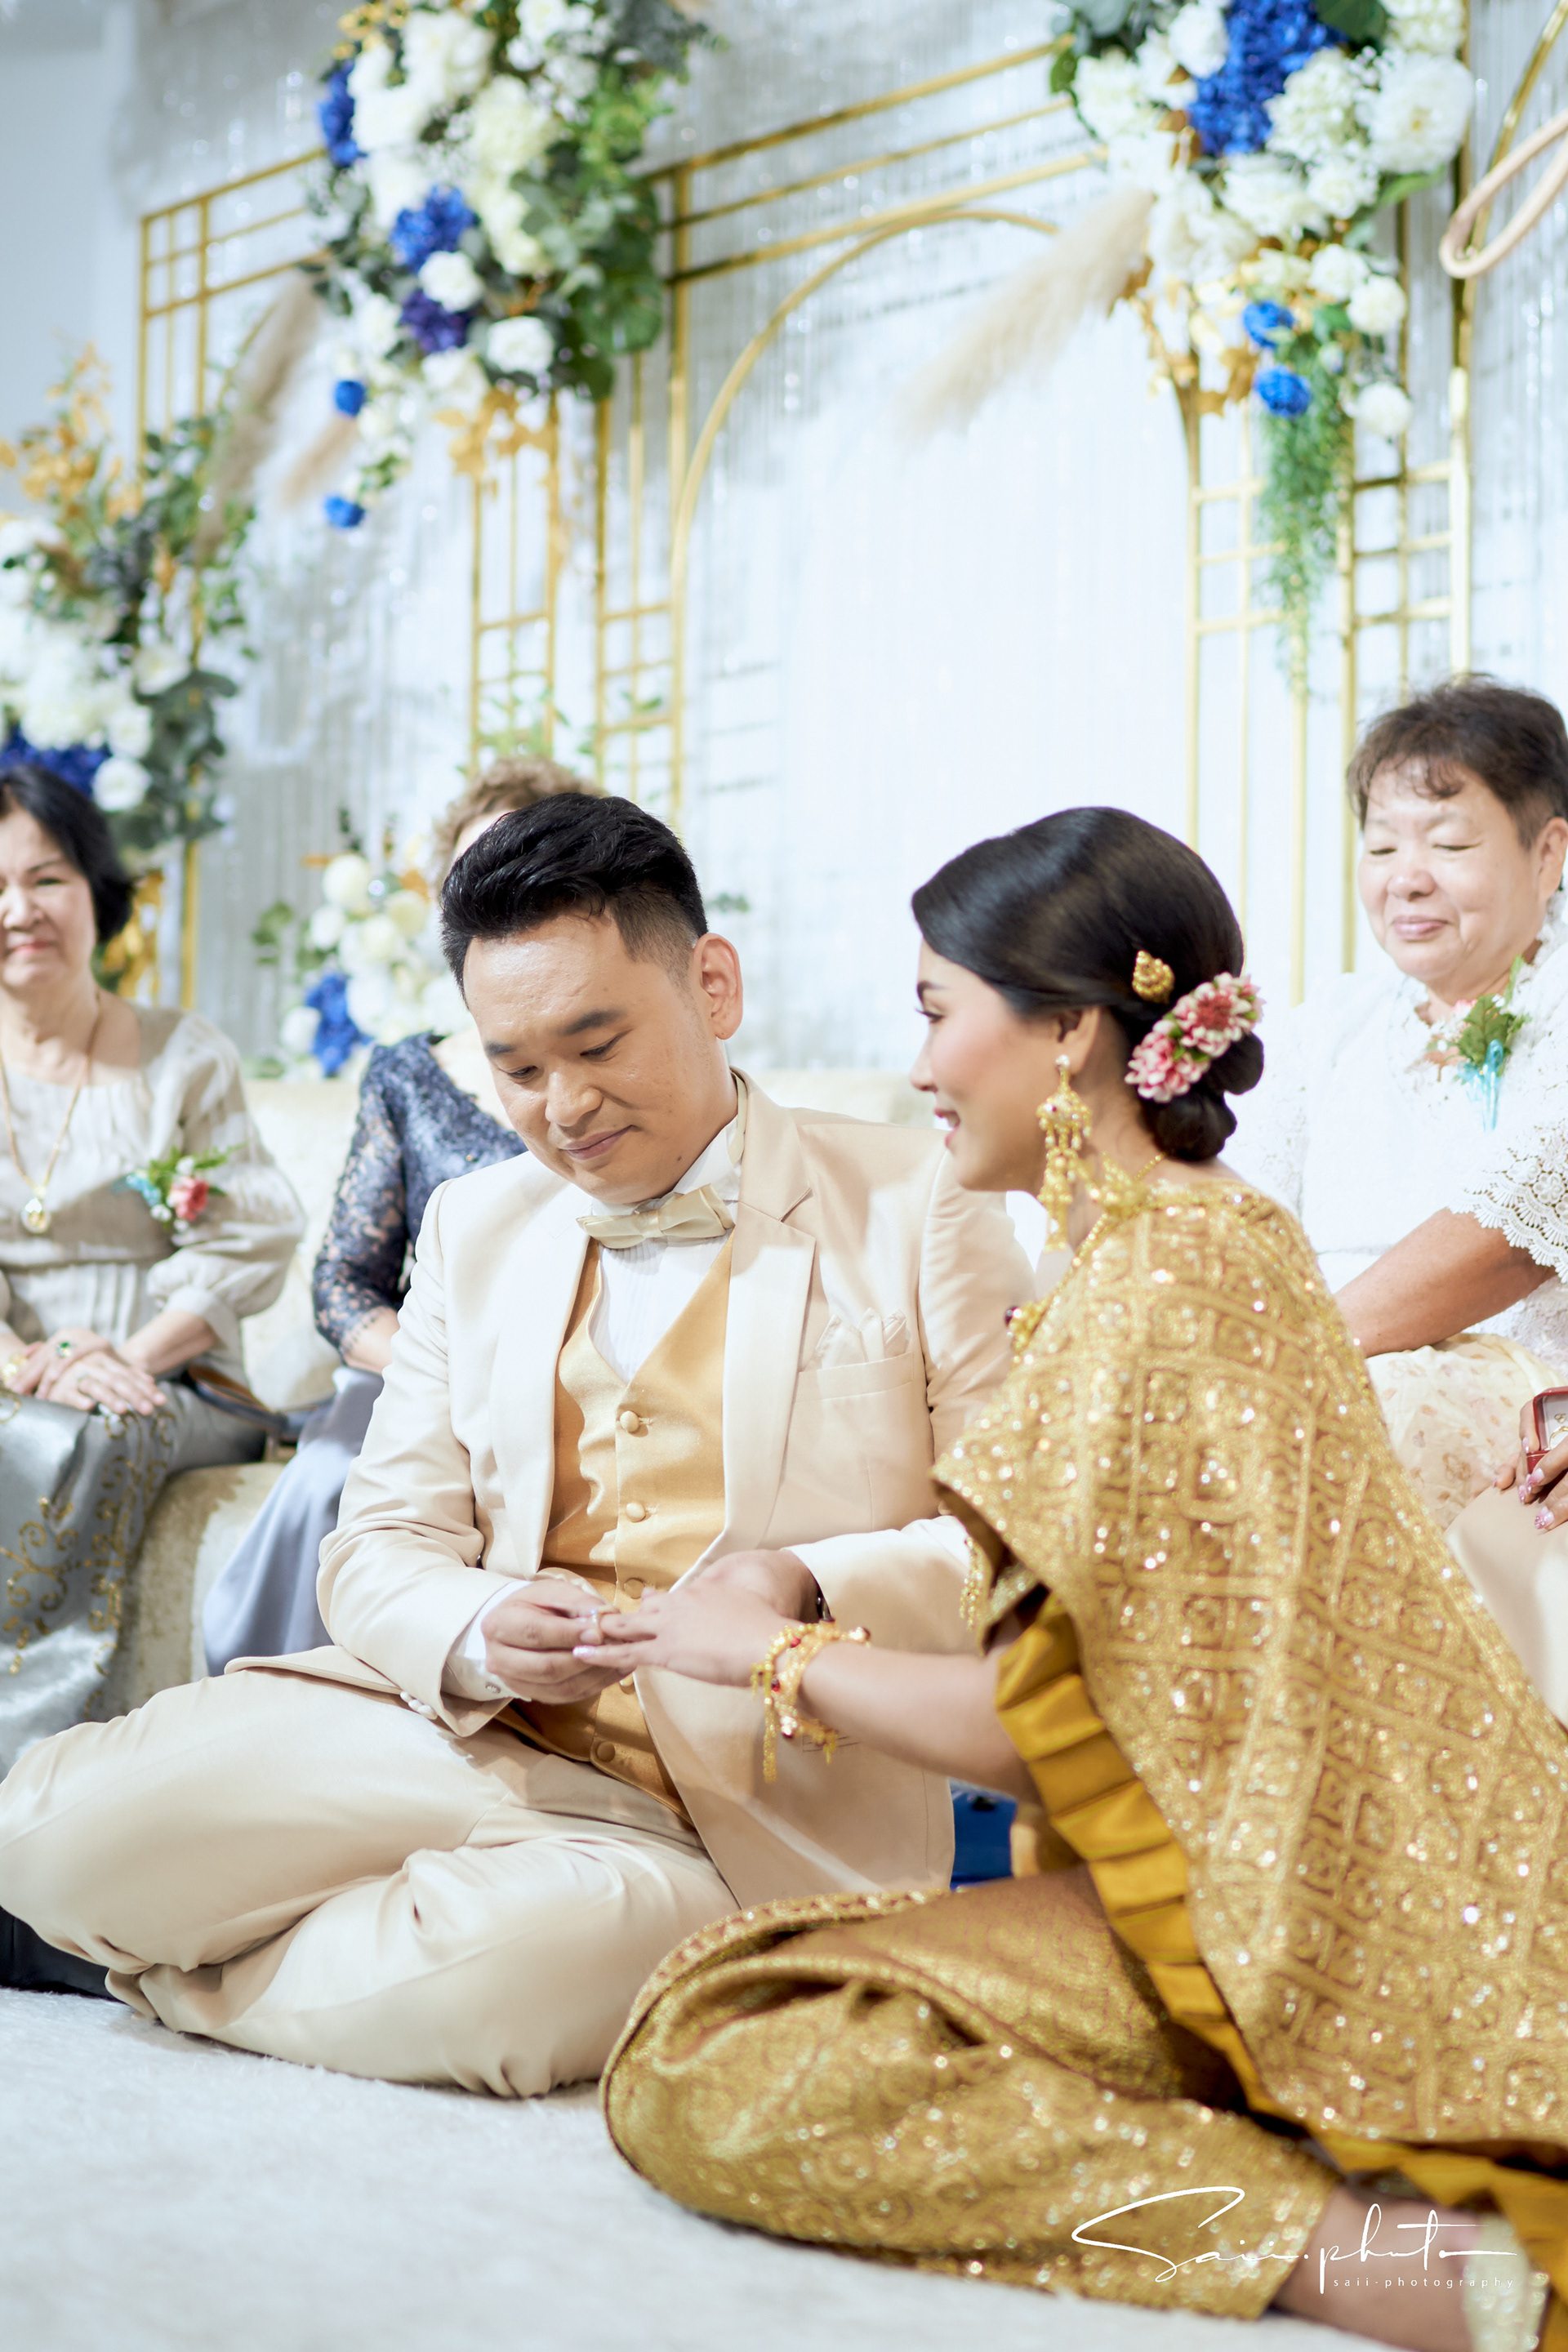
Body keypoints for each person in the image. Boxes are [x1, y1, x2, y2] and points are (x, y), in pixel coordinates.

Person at [594, 808, 1568, 2352]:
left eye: (937, 1011)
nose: (919, 1065)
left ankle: (1365, 2263)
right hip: (1301, 1884)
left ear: (1067, 1034)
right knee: (757, 1988)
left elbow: (1056, 1731)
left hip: (1281, 1922)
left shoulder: (1169, 1279)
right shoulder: (1204, 1244)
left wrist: (766, 1655)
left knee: (710, 2059)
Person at [0, 793, 1033, 2095]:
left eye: (598, 1044)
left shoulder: (921, 1199)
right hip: (467, 1732)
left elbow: (1011, 1546)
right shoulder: (477, 1223)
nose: (564, 1107)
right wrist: (479, 1628)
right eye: (519, 1070)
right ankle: (341, 1930)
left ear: (713, 986)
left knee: (499, 1983)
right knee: (40, 1832)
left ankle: (181, 1988)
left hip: (728, 1823)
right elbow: (380, 1541)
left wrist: (801, 1584)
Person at [202, 755, 598, 1669]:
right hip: (418, 1377)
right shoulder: (408, 1074)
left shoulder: (619, 1075)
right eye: (470, 875)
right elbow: (343, 1283)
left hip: (578, 1378)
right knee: (329, 1482)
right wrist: (441, 1373)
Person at [0, 762, 303, 1777]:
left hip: (171, 1377)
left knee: (93, 1426)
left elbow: (249, 1235)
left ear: (97, 892)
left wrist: (120, 1359)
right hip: (16, 1372)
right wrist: (28, 1364)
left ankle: (42, 1772)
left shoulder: (183, 1055)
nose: (20, 909)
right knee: (47, 1417)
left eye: (47, 878)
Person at [1228, 677, 1568, 1531]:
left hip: (1517, 1397)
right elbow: (1242, 1222)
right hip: (1311, 1373)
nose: (1406, 880)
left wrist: (1284, 1355)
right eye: (1381, 848)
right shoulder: (1325, 1028)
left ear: (1548, 854)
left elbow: (1511, 1232)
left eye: (1449, 844)